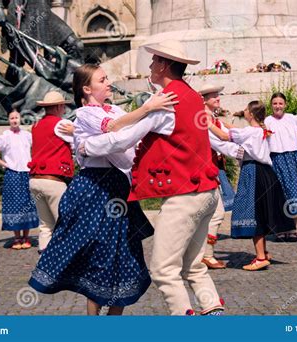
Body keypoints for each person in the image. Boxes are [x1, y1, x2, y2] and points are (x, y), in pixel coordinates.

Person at [81, 40, 226, 315]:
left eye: (154, 61)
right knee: (194, 267)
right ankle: (214, 317)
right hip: (207, 192)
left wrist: (87, 146)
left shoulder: (165, 102)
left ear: (163, 65)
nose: (150, 65)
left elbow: (123, 139)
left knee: (163, 270)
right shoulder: (192, 95)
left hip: (184, 197)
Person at [29, 64, 177, 315]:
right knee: (97, 254)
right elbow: (112, 127)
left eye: (107, 78)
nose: (109, 83)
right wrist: (147, 108)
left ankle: (113, 321)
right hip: (92, 188)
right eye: (102, 80)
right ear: (87, 89)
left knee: (126, 252)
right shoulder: (86, 113)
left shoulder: (115, 109)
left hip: (117, 185)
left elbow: (126, 134)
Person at [209, 101, 295, 271]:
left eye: (247, 110)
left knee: (254, 212)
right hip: (265, 173)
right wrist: (219, 122)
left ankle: (261, 257)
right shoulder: (260, 130)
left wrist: (206, 124)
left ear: (251, 114)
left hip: (253, 172)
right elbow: (232, 131)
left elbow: (224, 136)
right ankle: (264, 252)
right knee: (261, 211)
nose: (245, 112)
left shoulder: (249, 132)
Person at [198, 83, 242, 269]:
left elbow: (228, 130)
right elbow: (222, 138)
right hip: (204, 169)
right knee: (216, 213)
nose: (218, 98)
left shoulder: (212, 117)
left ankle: (202, 254)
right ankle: (205, 255)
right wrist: (244, 148)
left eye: (218, 95)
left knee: (209, 214)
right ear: (205, 100)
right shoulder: (202, 118)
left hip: (213, 169)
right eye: (214, 96)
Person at [27, 91, 74, 253]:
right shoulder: (61, 124)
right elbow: (78, 141)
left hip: (35, 179)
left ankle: (44, 264)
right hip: (54, 180)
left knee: (45, 225)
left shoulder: (36, 125)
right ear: (59, 106)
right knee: (64, 223)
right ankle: (63, 264)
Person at [265, 92, 297, 242]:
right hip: (276, 159)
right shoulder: (267, 121)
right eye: (275, 103)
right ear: (271, 105)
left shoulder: (293, 119)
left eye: (280, 103)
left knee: (294, 193)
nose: (278, 106)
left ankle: (292, 229)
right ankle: (280, 229)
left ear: (285, 105)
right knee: (279, 194)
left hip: (292, 158)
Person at [0, 110, 39, 250]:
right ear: (8, 120)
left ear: (20, 119)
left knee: (27, 204)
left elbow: (36, 150)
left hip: (27, 173)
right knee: (15, 205)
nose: (14, 120)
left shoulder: (27, 135)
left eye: (16, 117)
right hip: (13, 174)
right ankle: (17, 238)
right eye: (12, 118)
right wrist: (5, 164)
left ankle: (26, 236)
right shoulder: (4, 136)